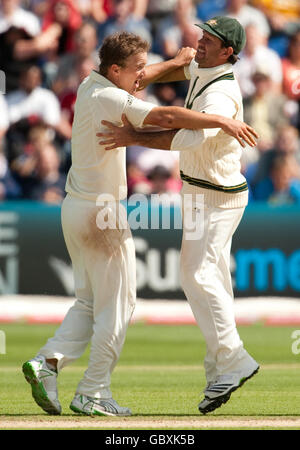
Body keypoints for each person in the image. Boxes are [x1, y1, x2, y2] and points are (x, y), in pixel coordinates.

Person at [22, 31, 257, 417]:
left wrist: (175, 64)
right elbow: (164, 116)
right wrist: (220, 119)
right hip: (103, 216)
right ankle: (93, 392)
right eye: (136, 71)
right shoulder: (112, 95)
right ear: (116, 70)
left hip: (74, 209)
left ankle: (47, 363)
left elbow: (142, 78)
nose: (142, 77)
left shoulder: (90, 84)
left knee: (88, 301)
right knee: (119, 305)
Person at [97, 19, 260, 414]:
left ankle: (235, 358)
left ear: (228, 53)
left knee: (196, 275)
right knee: (214, 280)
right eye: (202, 36)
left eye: (210, 41)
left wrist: (134, 135)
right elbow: (177, 68)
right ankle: (219, 369)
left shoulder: (221, 94)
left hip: (217, 198)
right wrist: (160, 68)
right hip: (200, 191)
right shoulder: (205, 66)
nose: (200, 43)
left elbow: (182, 132)